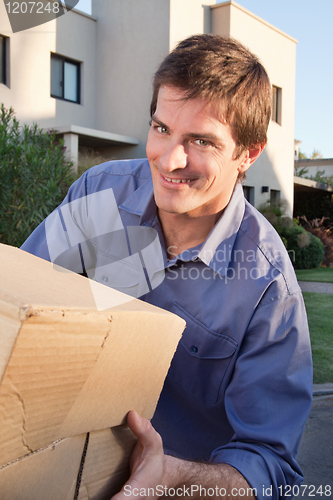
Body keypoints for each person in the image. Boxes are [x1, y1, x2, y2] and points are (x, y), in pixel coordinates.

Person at [22, 34, 312, 499]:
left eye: (201, 141)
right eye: (161, 129)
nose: (170, 160)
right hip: (51, 469)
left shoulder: (267, 289)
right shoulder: (100, 194)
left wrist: (176, 477)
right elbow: (17, 305)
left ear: (248, 154)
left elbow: (271, 466)